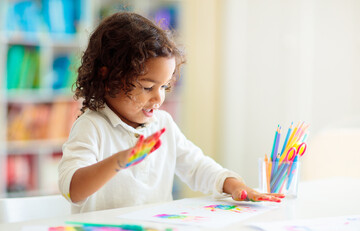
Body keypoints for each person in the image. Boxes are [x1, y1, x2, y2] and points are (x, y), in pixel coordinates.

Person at [58, 12, 284, 213]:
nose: (159, 98)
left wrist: (235, 186)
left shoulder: (162, 124)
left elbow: (196, 166)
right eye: (148, 87)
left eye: (164, 87)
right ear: (108, 78)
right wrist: (121, 160)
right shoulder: (92, 127)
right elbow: (73, 190)